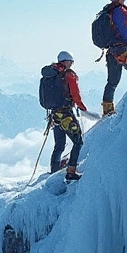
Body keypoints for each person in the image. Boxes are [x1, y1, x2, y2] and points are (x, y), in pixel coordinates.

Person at [47, 51, 87, 181]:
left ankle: (53, 170)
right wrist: (82, 107)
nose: (72, 64)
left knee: (59, 144)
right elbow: (75, 93)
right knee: (78, 140)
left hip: (54, 115)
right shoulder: (68, 75)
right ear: (67, 61)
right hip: (65, 114)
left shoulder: (51, 74)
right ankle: (71, 171)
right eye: (71, 61)